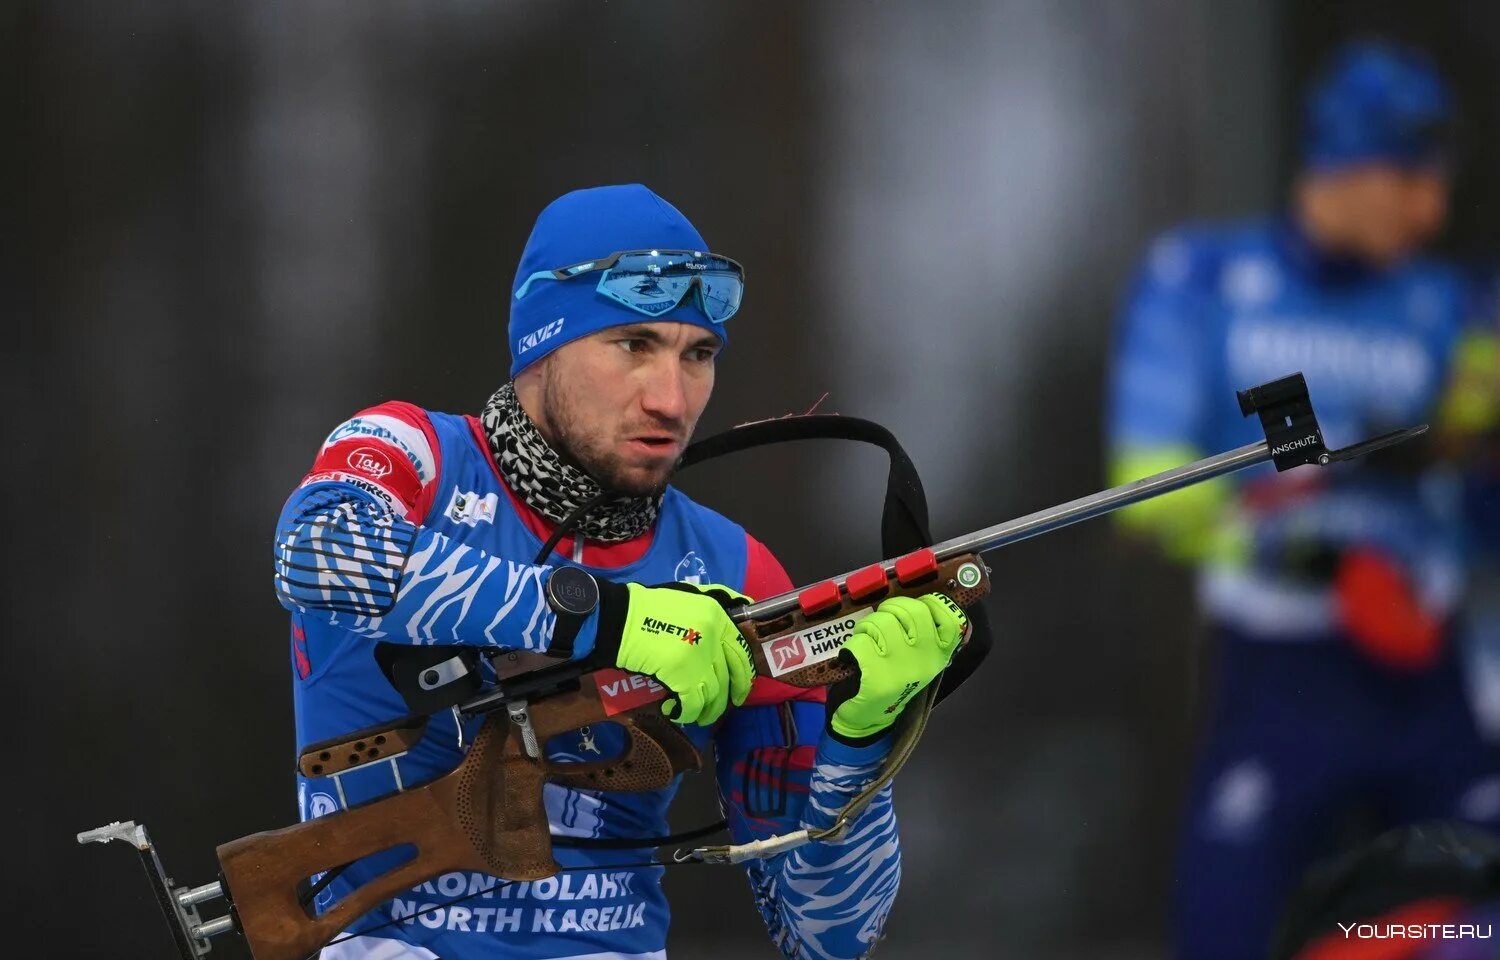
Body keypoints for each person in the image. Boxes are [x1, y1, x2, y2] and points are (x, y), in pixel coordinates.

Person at [272, 183, 966, 960]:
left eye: (697, 354)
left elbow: (826, 936)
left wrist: (860, 743)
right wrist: (613, 618)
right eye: (633, 346)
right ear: (545, 346)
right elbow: (319, 557)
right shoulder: (419, 457)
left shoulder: (735, 566)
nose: (671, 399)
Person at [1106, 42, 1500, 960]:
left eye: (1440, 182)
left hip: (1425, 664)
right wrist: (1308, 556)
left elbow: (1473, 474)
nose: (1431, 209)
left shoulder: (1450, 303)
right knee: (1226, 925)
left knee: (1478, 914)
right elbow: (1146, 494)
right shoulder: (1200, 280)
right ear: (1347, 164)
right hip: (1280, 661)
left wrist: (1465, 451)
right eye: (1410, 178)